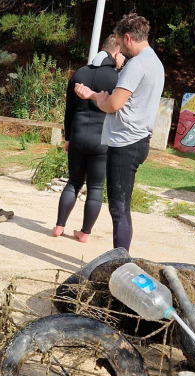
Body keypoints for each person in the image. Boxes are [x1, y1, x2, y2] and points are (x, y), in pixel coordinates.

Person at [74, 13, 165, 251]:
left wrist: (95, 97)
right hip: (139, 139)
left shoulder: (136, 65)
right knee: (121, 206)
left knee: (119, 207)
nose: (121, 50)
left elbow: (113, 105)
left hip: (126, 141)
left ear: (127, 37)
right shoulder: (155, 62)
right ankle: (120, 259)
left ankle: (120, 262)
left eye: (121, 43)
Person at [53, 35, 125, 243]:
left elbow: (69, 110)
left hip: (77, 135)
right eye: (122, 57)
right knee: (95, 187)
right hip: (102, 139)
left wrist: (68, 137)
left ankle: (59, 226)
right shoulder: (118, 79)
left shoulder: (80, 72)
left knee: (73, 182)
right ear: (116, 53)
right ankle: (84, 233)